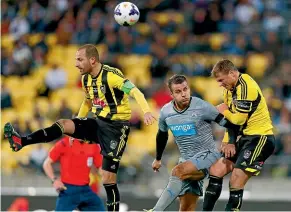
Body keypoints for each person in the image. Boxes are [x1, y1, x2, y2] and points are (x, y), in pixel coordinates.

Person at [4, 44, 156, 212]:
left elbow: (135, 92)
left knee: (107, 177)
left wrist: (146, 111)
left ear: (92, 60)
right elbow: (88, 101)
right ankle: (22, 141)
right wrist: (77, 123)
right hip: (97, 123)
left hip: (116, 128)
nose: (76, 64)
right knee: (64, 124)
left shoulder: (111, 76)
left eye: (80, 60)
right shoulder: (86, 79)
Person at [148, 75, 239, 211]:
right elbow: (162, 134)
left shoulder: (202, 107)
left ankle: (156, 210)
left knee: (177, 171)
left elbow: (230, 125)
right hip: (187, 161)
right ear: (172, 94)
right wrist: (158, 159)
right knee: (186, 209)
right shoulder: (166, 112)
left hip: (207, 157)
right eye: (178, 92)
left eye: (185, 89)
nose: (184, 94)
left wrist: (231, 142)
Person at [203, 59, 275, 211]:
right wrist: (228, 141)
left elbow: (239, 118)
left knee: (236, 179)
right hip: (243, 138)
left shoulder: (246, 85)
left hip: (260, 138)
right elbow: (231, 121)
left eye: (221, 80)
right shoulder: (228, 90)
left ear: (232, 73)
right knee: (216, 170)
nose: (220, 84)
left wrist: (224, 110)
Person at [43, 136, 105, 211]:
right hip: (68, 190)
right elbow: (46, 164)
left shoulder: (93, 145)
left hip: (85, 190)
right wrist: (54, 180)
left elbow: (101, 167)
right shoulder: (64, 143)